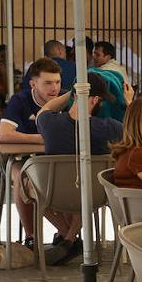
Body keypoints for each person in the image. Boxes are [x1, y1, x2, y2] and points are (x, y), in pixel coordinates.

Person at [35, 72, 125, 264]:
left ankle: (67, 237)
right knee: (85, 183)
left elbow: (46, 108)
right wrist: (130, 102)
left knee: (28, 185)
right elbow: (135, 131)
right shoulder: (110, 127)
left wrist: (72, 93)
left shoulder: (48, 123)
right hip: (95, 196)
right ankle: (69, 238)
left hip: (53, 195)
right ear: (95, 100)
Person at [0, 58, 65, 254]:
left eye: (58, 82)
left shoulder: (66, 101)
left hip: (54, 160)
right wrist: (44, 138)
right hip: (21, 160)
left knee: (71, 176)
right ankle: (31, 236)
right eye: (48, 83)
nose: (55, 88)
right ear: (33, 84)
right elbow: (4, 135)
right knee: (22, 177)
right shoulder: (20, 100)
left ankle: (66, 236)